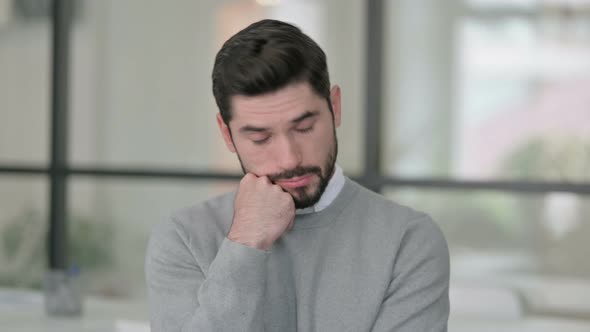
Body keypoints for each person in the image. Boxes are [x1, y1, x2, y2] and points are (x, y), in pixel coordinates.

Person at [146, 19, 449, 332]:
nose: (289, 158)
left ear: (335, 107)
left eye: (304, 128)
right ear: (227, 133)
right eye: (260, 138)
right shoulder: (183, 238)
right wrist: (246, 242)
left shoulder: (408, 240)